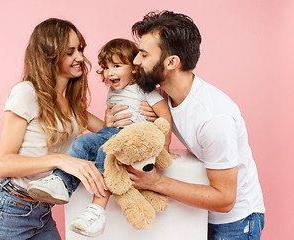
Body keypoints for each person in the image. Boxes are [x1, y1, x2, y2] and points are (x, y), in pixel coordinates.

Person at [106, 11, 265, 239]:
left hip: (236, 222)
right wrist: (110, 124)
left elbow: (225, 199)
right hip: (199, 214)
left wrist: (156, 182)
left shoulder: (213, 118)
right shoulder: (161, 97)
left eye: (143, 54)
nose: (136, 61)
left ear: (171, 62)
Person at [0, 18, 107, 240]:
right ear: (50, 54)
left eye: (80, 50)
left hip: (42, 213)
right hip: (10, 210)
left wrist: (143, 107)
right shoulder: (27, 92)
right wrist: (61, 160)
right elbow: (3, 163)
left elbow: (108, 133)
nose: (80, 58)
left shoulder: (72, 103)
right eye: (70, 52)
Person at [26, 38, 173, 237]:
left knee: (107, 153)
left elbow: (165, 115)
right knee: (82, 141)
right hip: (111, 133)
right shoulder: (113, 92)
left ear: (135, 69)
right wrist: (108, 122)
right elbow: (108, 127)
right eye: (105, 67)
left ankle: (96, 210)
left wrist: (165, 147)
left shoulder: (144, 89)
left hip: (132, 139)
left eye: (117, 66)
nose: (110, 72)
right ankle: (60, 183)